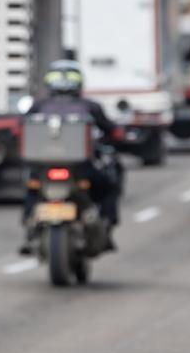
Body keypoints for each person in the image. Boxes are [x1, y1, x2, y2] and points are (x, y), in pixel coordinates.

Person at [20, 59, 124, 254]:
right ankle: (108, 227)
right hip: (80, 169)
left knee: (31, 186)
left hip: (42, 168)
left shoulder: (39, 105)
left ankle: (28, 225)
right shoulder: (90, 106)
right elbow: (112, 130)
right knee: (110, 185)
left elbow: (20, 127)